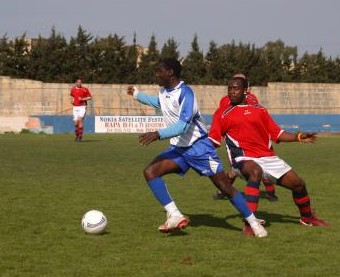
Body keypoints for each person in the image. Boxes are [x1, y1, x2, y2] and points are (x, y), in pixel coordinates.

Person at [126, 58, 267, 237]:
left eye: (159, 71)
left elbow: (183, 126)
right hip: (179, 149)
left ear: (170, 72)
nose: (156, 75)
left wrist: (157, 134)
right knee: (150, 172)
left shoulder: (186, 93)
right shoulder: (164, 92)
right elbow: (159, 102)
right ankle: (175, 215)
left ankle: (255, 224)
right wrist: (137, 95)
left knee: (225, 187)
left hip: (199, 148)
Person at [209, 76, 329, 236]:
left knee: (298, 184)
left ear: (246, 90)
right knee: (255, 171)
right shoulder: (222, 113)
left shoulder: (260, 110)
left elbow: (277, 133)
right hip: (243, 159)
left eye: (236, 88)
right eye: (229, 88)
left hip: (268, 157)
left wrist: (298, 137)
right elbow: (213, 140)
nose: (232, 92)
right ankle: (250, 223)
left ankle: (307, 217)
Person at [213, 73, 278, 202]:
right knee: (238, 168)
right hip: (236, 137)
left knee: (253, 166)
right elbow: (223, 118)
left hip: (256, 138)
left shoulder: (252, 99)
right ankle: (269, 194)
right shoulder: (226, 100)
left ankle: (269, 194)